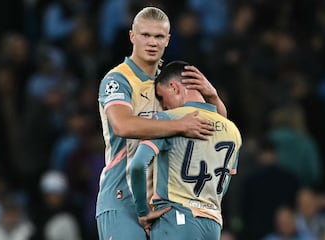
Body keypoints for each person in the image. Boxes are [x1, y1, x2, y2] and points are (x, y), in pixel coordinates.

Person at [96, 6, 227, 240]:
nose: (152, 42)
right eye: (145, 35)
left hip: (163, 204)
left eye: (158, 36)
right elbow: (123, 125)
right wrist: (179, 125)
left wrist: (213, 97)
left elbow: (216, 130)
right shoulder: (118, 79)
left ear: (167, 40)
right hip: (122, 197)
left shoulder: (170, 81)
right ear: (132, 36)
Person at [129, 60, 242, 240]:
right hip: (213, 224)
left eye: (161, 97)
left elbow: (137, 165)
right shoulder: (233, 130)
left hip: (176, 218)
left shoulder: (169, 120)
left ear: (174, 87)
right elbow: (226, 181)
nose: (163, 105)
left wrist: (143, 211)